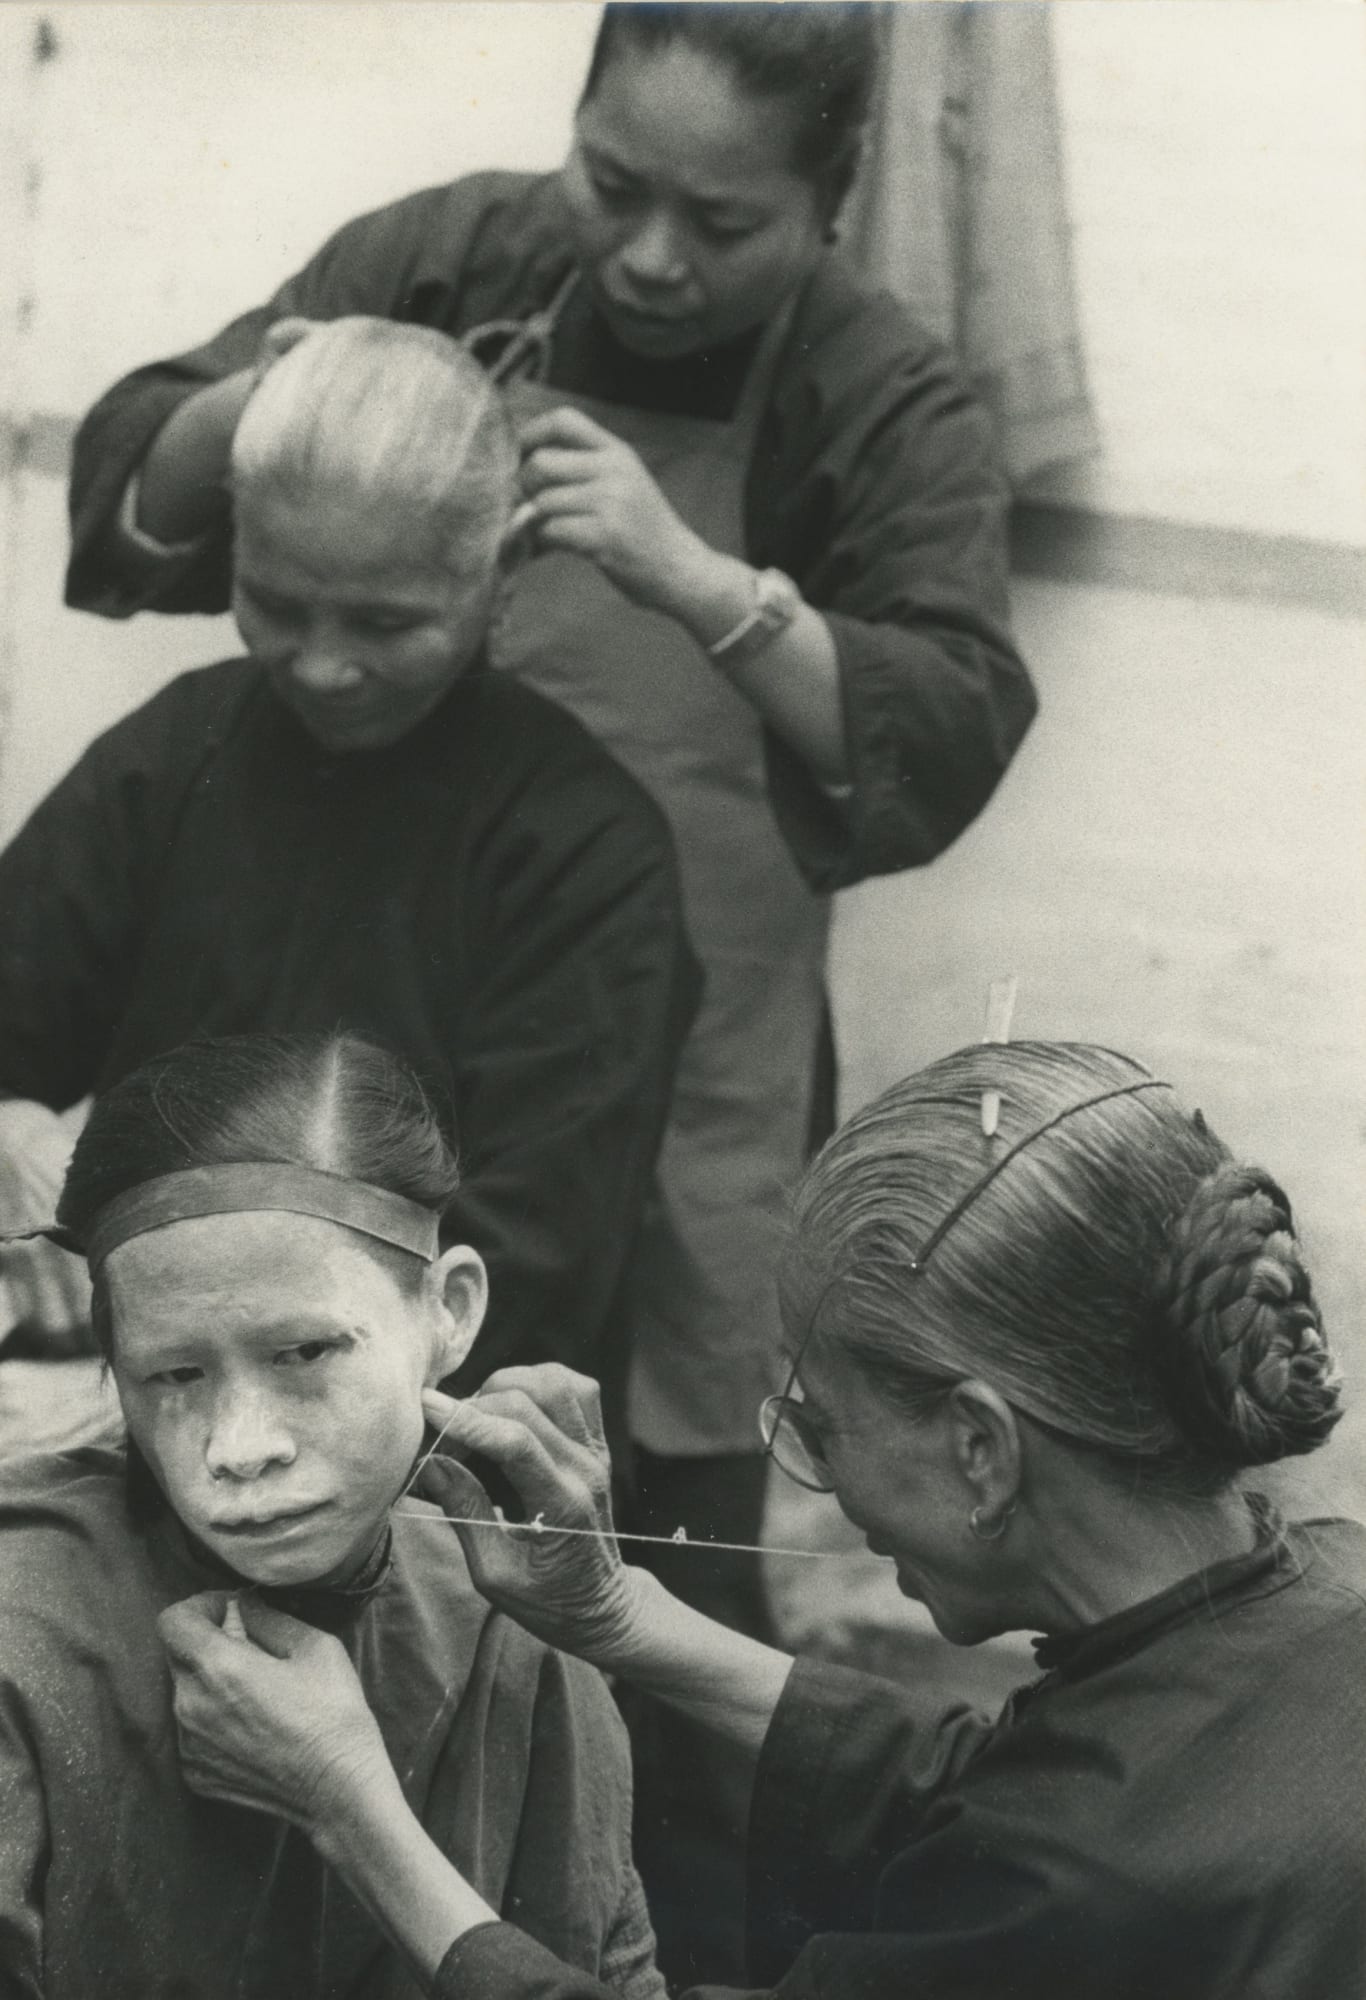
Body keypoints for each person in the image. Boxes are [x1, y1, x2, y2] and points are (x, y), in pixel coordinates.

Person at [63, 0, 1037, 1611]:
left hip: (690, 1031)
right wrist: (253, 407)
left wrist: (700, 581)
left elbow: (945, 722)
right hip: (398, 958)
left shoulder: (876, 395)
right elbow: (136, 486)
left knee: (642, 1546)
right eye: (612, 186)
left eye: (721, 224)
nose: (651, 257)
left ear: (833, 194)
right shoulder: (451, 263)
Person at [159, 1042, 1364, 2000]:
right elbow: (1011, 1787)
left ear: (980, 1448)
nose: (817, 1477)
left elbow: (1044, 1847)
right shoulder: (1323, 1589)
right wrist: (621, 1612)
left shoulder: (1084, 1880)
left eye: (820, 1427)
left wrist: (349, 1805)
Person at [0, 317, 695, 1426]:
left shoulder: (581, 848)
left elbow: (532, 1267)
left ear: (500, 570)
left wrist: (247, 1380)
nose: (321, 664)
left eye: (385, 621)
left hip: (426, 1454)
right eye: (274, 603)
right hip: (139, 1407)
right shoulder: (178, 756)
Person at [0, 1030, 666, 2000]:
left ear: (451, 1311)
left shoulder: (514, 1597)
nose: (238, 1446)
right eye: (172, 1374)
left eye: (306, 1352)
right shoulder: (25, 1633)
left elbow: (614, 1967)